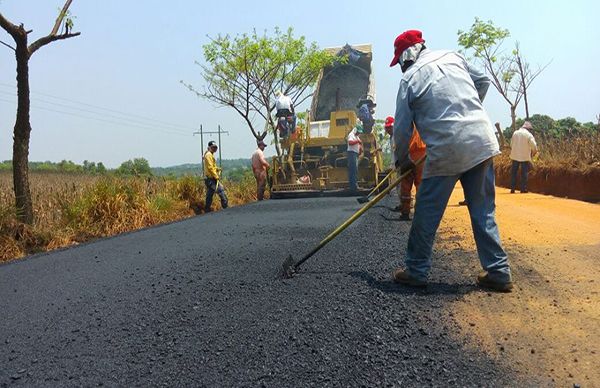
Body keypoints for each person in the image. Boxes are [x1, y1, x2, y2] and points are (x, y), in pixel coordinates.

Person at [389, 30, 513, 292]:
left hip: (446, 148)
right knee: (483, 210)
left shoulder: (410, 79)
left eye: (399, 60)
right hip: (481, 140)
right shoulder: (453, 56)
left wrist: (402, 162)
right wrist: (466, 110)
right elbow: (483, 81)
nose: (400, 66)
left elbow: (400, 130)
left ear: (406, 56)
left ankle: (416, 270)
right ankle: (499, 272)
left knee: (426, 212)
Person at [509, 121, 538, 193]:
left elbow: (511, 144)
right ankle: (523, 189)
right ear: (528, 129)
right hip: (524, 156)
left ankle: (512, 189)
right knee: (524, 173)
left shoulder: (515, 133)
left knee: (514, 173)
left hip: (515, 155)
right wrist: (535, 152)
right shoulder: (528, 135)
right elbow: (534, 146)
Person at [203, 141, 228, 212]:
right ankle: (226, 208)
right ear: (209, 147)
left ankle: (207, 209)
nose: (215, 149)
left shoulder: (211, 155)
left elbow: (212, 167)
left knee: (210, 194)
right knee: (221, 191)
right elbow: (210, 168)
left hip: (211, 178)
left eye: (215, 147)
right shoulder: (208, 155)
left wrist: (217, 169)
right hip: (211, 179)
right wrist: (216, 176)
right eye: (213, 147)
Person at [347, 126, 362, 191]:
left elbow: (359, 144)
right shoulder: (351, 135)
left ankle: (354, 185)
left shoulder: (356, 136)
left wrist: (360, 149)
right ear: (355, 130)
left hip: (355, 154)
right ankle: (353, 186)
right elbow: (350, 143)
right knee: (353, 170)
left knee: (355, 170)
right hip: (352, 153)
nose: (358, 133)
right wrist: (357, 141)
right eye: (358, 132)